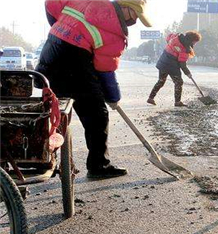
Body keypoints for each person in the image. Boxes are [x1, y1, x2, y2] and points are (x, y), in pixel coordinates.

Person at [36, 0, 152, 179]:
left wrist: (62, 28)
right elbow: (105, 70)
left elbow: (51, 3)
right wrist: (113, 97)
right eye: (135, 14)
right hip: (74, 64)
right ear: (125, 8)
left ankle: (42, 160)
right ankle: (98, 166)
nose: (135, 20)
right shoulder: (115, 32)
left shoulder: (88, 1)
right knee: (97, 115)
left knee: (55, 116)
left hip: (50, 55)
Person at [147, 31, 202, 107]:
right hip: (172, 65)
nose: (195, 44)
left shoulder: (176, 37)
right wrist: (188, 73)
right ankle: (177, 102)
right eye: (195, 42)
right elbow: (182, 64)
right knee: (179, 82)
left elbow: (168, 38)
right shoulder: (185, 49)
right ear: (191, 40)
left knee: (161, 81)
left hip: (163, 61)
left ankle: (151, 98)